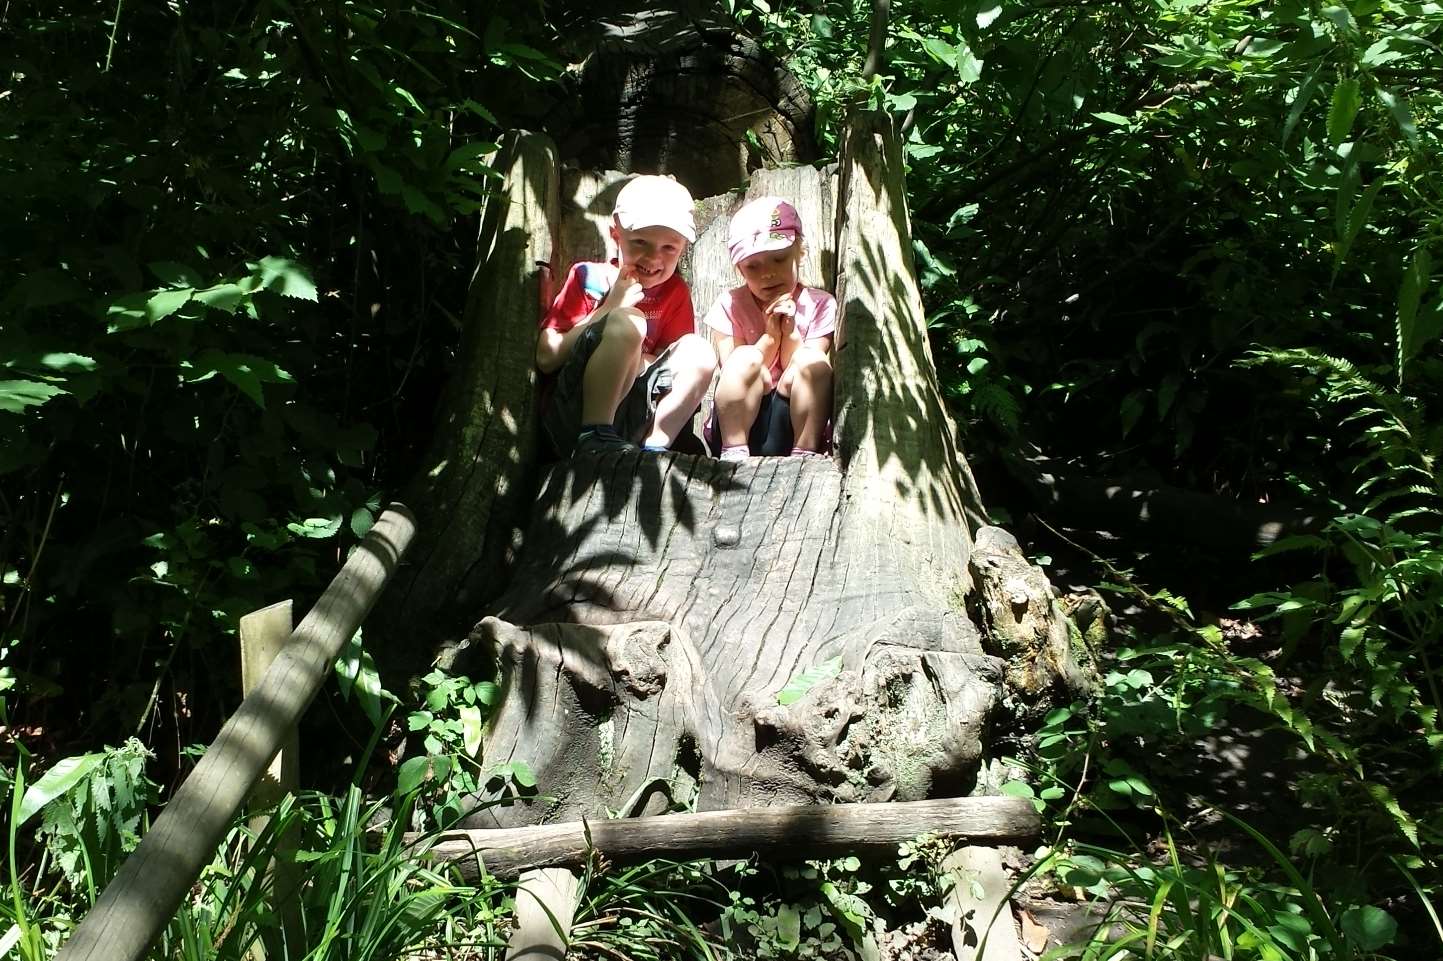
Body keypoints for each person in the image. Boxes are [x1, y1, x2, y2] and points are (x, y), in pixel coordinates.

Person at [536, 175, 717, 457]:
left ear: (682, 247)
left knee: (701, 351)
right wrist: (608, 310)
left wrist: (634, 358)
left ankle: (656, 445)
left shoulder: (674, 292)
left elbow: (668, 360)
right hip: (574, 415)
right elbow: (547, 358)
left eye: (669, 247)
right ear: (615, 235)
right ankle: (594, 433)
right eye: (640, 242)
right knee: (628, 321)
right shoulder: (588, 278)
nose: (653, 258)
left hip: (634, 421)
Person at [703, 196, 836, 461]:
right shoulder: (729, 305)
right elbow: (735, 369)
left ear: (800, 253)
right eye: (753, 266)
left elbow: (802, 365)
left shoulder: (820, 304)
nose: (768, 273)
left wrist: (789, 333)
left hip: (793, 417)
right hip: (740, 418)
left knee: (813, 361)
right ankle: (733, 451)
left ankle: (805, 452)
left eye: (778, 259)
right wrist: (770, 337)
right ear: (740, 269)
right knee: (744, 357)